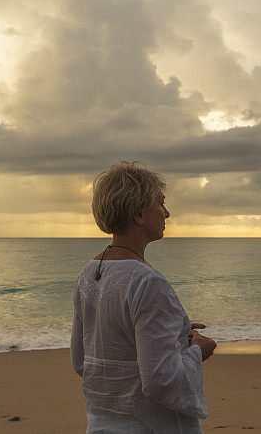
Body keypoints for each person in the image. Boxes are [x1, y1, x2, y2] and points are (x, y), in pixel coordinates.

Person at [71, 160, 217, 433]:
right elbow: (160, 379)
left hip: (103, 425)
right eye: (160, 204)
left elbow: (84, 362)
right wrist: (198, 350)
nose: (167, 213)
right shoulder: (147, 282)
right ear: (138, 214)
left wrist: (177, 338)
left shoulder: (88, 274)